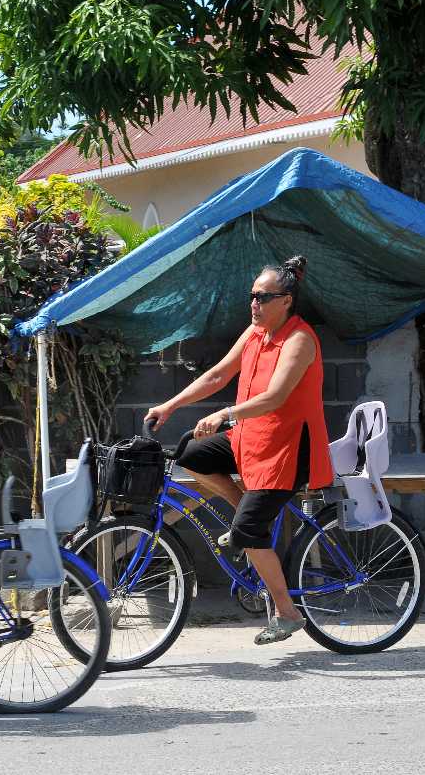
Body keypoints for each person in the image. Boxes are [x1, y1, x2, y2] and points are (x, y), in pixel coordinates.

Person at [145, 257, 333, 644]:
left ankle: (287, 613)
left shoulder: (299, 340)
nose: (254, 304)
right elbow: (217, 375)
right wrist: (170, 405)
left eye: (263, 297)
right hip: (251, 439)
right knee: (192, 455)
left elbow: (276, 396)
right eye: (252, 296)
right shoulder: (254, 333)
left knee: (249, 532)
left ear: (286, 300)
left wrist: (225, 413)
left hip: (287, 448)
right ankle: (243, 514)